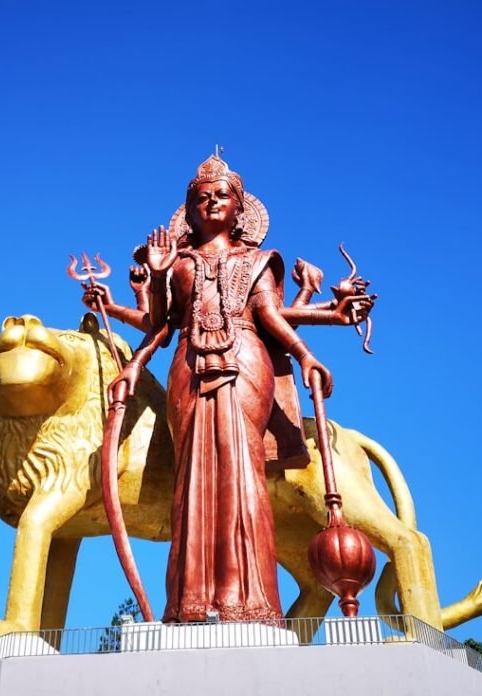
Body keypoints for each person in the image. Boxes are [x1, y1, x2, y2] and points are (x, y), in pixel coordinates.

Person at [106, 154, 339, 623]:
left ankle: (249, 601)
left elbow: (271, 317)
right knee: (190, 473)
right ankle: (188, 602)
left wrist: (304, 354)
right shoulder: (177, 263)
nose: (212, 202)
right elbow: (159, 325)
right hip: (188, 363)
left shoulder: (258, 261)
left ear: (239, 208)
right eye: (201, 198)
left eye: (222, 196)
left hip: (244, 358)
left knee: (241, 467)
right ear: (189, 211)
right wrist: (137, 354)